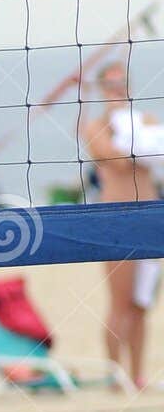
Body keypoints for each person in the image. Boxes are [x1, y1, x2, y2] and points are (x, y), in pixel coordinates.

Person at [80, 60, 164, 390]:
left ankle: (137, 374)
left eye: (122, 85)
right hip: (116, 218)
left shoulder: (146, 121)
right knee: (119, 300)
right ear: (103, 91)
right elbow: (117, 158)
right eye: (111, 86)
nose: (118, 91)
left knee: (141, 303)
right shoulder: (97, 126)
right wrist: (134, 140)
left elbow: (154, 154)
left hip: (150, 216)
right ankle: (115, 375)